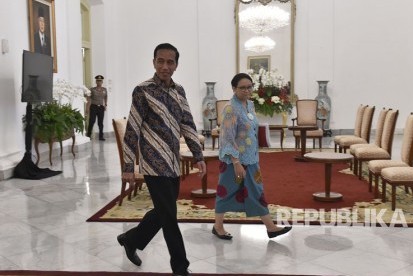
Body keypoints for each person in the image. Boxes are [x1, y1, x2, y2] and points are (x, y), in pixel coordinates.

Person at [117, 43, 206, 276]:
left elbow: (188, 124)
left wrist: (198, 156)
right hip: (153, 163)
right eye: (160, 61)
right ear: (154, 62)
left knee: (162, 211)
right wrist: (128, 167)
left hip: (173, 163)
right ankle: (180, 268)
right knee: (170, 218)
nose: (165, 66)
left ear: (176, 65)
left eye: (170, 62)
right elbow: (132, 130)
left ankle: (131, 238)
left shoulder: (179, 92)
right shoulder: (142, 91)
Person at [212, 73, 292, 240]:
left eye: (250, 87)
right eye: (242, 88)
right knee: (226, 192)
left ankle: (270, 227)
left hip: (251, 158)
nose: (247, 90)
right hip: (233, 161)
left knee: (256, 191)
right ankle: (218, 227)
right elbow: (227, 138)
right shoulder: (230, 109)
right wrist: (236, 162)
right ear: (234, 89)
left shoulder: (250, 104)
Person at [86, 75, 108, 141]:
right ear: (96, 81)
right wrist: (87, 108)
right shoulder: (92, 89)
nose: (99, 82)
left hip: (101, 107)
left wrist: (105, 105)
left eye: (100, 81)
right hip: (93, 107)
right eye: (98, 81)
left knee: (100, 123)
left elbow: (106, 97)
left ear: (102, 82)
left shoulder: (104, 89)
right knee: (92, 121)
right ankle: (88, 135)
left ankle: (101, 136)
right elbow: (88, 98)